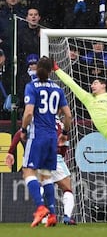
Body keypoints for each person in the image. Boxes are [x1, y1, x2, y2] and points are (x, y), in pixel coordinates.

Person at [20, 56, 71, 227]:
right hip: (52, 138)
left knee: (28, 171)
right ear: (51, 71)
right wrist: (64, 133)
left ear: (36, 69)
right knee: (46, 175)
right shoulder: (58, 89)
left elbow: (28, 113)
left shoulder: (31, 86)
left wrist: (24, 129)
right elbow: (68, 115)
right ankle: (52, 215)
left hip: (37, 135)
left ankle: (41, 207)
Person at [6, 115, 76, 225]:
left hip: (39, 155)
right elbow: (64, 144)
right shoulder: (61, 124)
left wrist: (10, 152)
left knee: (40, 183)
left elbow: (19, 134)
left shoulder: (38, 119)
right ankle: (67, 216)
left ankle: (44, 215)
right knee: (67, 189)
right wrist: (60, 157)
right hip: (55, 157)